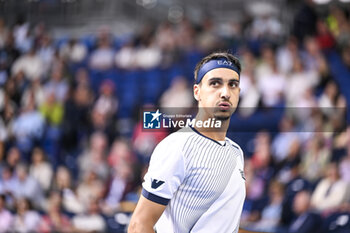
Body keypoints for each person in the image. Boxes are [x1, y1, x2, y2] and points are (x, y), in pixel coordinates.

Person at [128, 52, 246, 233]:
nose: (225, 92)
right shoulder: (177, 146)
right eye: (215, 83)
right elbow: (139, 226)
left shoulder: (236, 152)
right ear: (197, 92)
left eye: (233, 85)